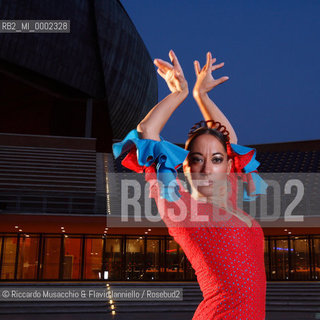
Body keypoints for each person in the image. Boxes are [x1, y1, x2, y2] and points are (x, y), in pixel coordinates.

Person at [112, 50, 268, 320]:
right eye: (197, 160)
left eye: (216, 160)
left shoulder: (231, 203)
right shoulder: (184, 210)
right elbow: (147, 135)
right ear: (184, 167)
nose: (208, 168)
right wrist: (178, 94)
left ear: (229, 166)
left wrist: (202, 96)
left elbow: (229, 141)